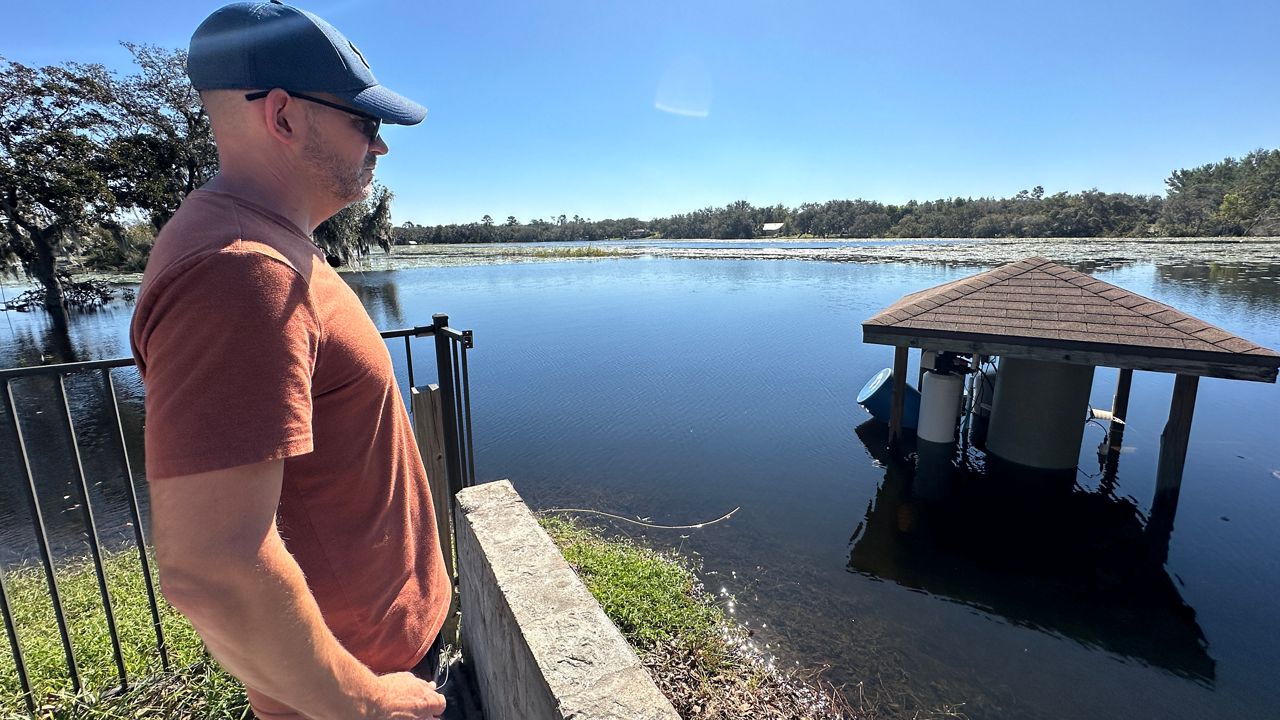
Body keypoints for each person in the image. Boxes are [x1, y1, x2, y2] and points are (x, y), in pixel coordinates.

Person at [129, 2, 451, 718]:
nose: (381, 146)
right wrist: (366, 702)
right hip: (364, 685)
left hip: (380, 657)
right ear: (282, 116)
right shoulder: (238, 270)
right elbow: (212, 567)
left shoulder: (271, 244)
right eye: (365, 124)